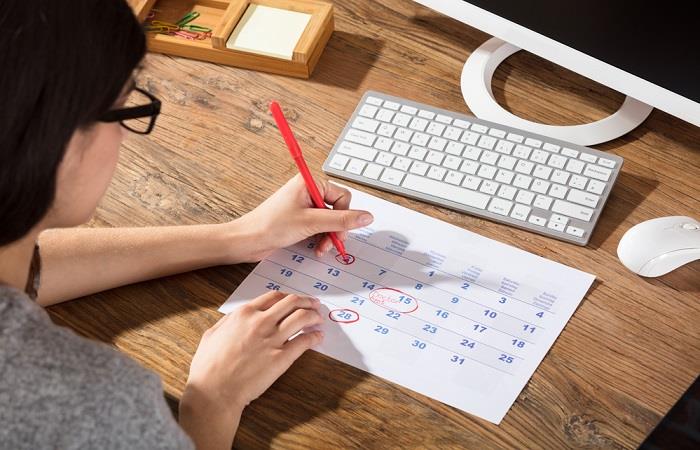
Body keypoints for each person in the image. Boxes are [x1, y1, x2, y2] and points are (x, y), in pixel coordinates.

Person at [0, 1, 373, 449]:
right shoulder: (91, 403)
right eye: (122, 108)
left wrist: (239, 237)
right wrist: (214, 401)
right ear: (50, 139)